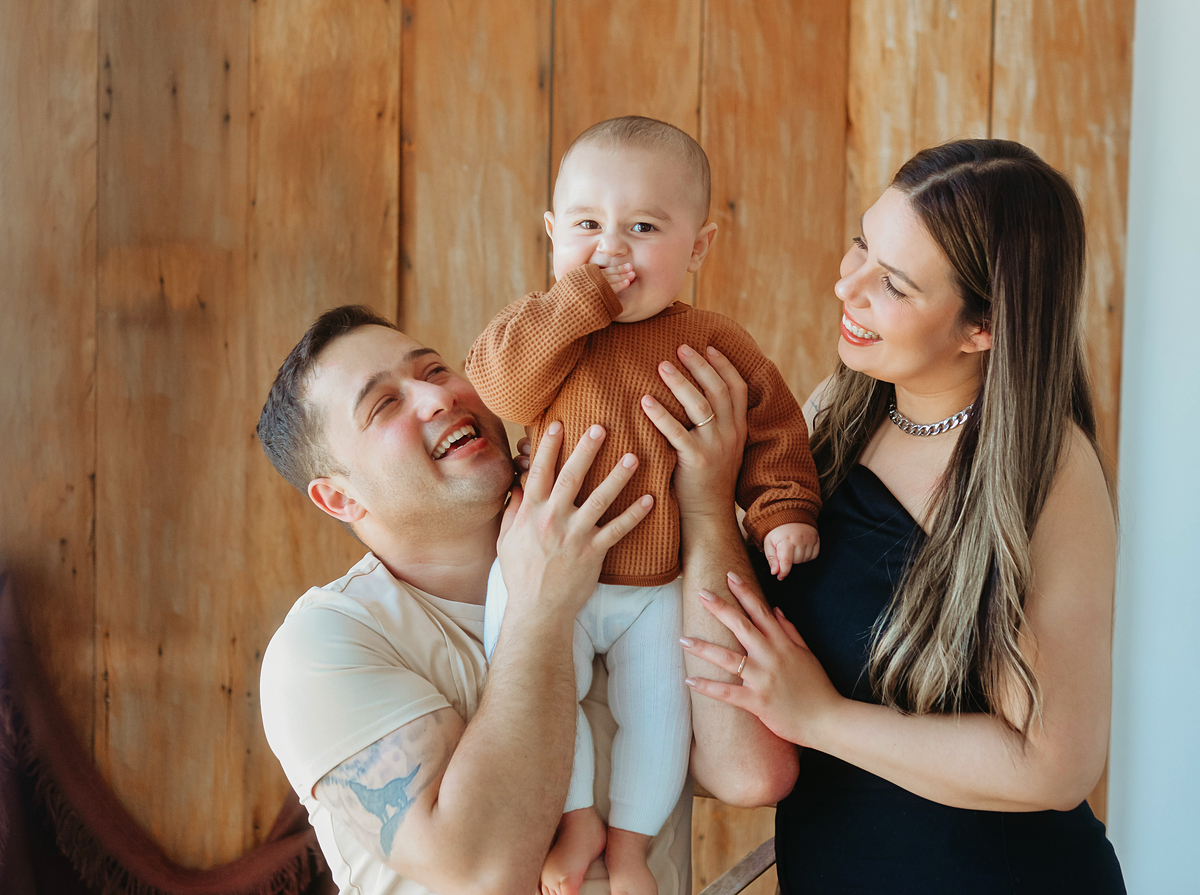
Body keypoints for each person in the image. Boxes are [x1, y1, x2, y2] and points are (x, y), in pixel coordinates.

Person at [679, 139, 1127, 892]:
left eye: (892, 283)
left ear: (983, 326)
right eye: (862, 244)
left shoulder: (1046, 469)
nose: (845, 285)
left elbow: (1055, 765)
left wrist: (821, 718)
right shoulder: (839, 410)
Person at [254, 306, 796, 895]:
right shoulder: (324, 646)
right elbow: (484, 871)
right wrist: (541, 608)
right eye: (384, 405)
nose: (436, 397)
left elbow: (752, 772)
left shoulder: (628, 562)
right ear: (339, 499)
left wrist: (706, 511)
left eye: (434, 370)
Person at [465, 116, 820, 895]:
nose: (611, 249)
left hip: (658, 586)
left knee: (660, 715)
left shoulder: (713, 340)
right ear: (552, 234)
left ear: (697, 247)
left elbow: (774, 429)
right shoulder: (547, 334)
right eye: (587, 226)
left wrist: (785, 508)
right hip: (544, 575)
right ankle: (577, 817)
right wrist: (577, 301)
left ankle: (629, 844)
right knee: (537, 691)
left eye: (643, 228)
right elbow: (501, 388)